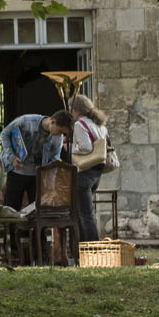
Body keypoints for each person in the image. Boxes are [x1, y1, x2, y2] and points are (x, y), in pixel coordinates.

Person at [0, 111, 70, 210]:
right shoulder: (26, 121)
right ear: (52, 121)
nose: (60, 135)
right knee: (11, 209)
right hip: (16, 171)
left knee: (37, 211)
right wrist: (11, 157)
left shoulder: (58, 138)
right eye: (59, 131)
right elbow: (4, 134)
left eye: (62, 133)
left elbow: (54, 160)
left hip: (37, 176)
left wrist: (49, 182)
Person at [69, 94, 111, 253]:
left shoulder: (80, 124)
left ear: (75, 110)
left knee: (85, 215)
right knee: (85, 212)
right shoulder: (99, 124)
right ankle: (84, 250)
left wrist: (72, 149)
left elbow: (86, 148)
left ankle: (93, 250)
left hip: (84, 172)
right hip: (96, 172)